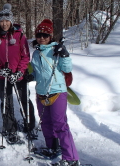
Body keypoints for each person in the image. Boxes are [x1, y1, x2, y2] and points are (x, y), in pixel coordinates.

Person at [30, 19, 80, 166]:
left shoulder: (56, 50)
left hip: (57, 91)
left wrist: (64, 54)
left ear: (50, 36)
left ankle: (71, 158)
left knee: (60, 125)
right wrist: (30, 76)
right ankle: (52, 147)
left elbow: (67, 68)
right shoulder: (36, 54)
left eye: (45, 35)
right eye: (39, 35)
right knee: (46, 122)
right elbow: (38, 73)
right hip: (41, 92)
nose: (42, 38)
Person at [0, 3, 35, 144]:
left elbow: (25, 57)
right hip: (3, 76)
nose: (4, 24)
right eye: (1, 21)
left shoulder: (20, 36)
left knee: (24, 100)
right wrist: (0, 69)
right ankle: (10, 129)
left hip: (19, 75)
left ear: (11, 21)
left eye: (7, 21)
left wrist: (20, 72)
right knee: (6, 102)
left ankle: (29, 125)